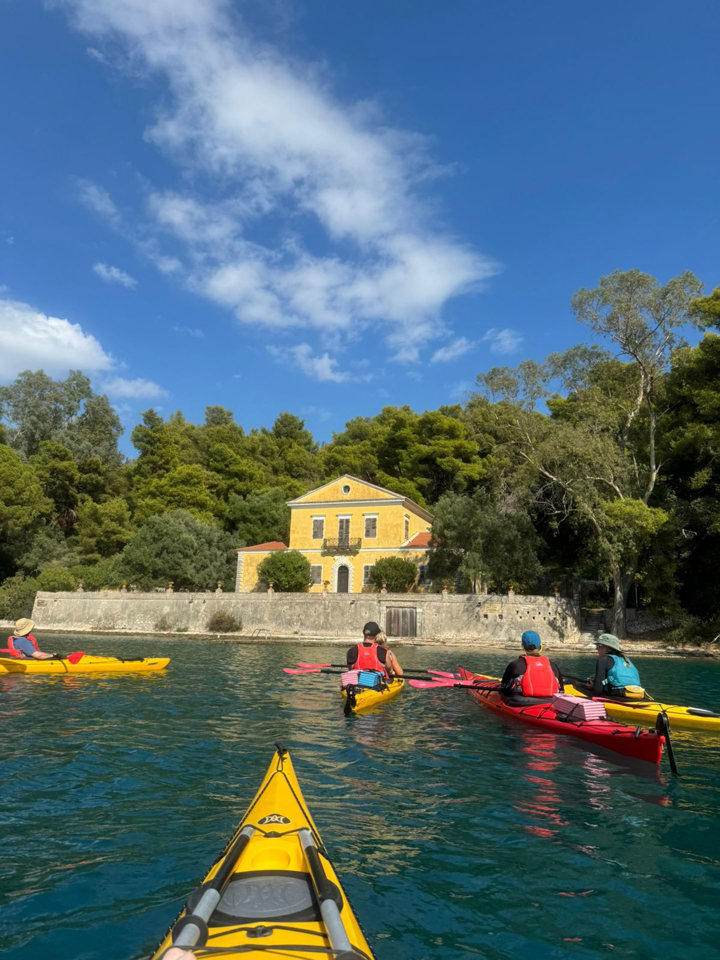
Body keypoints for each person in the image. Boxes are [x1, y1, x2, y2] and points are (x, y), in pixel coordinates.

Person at [500, 630, 563, 702]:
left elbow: (503, 687)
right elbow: (561, 690)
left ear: (523, 647)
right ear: (540, 646)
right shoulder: (553, 665)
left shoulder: (515, 664)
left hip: (521, 703)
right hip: (550, 702)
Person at [586, 634, 643, 698]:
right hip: (639, 693)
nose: (596, 648)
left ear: (608, 648)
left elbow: (597, 691)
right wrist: (598, 680)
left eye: (599, 646)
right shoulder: (625, 660)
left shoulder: (604, 659)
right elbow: (612, 679)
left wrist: (594, 685)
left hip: (620, 694)